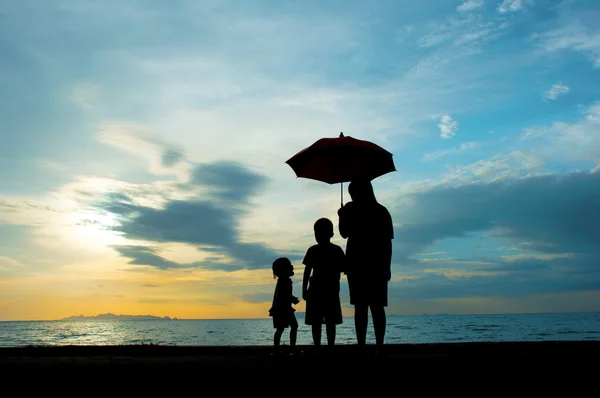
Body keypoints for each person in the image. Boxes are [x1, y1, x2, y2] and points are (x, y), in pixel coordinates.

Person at [337, 179, 394, 351]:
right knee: (375, 307)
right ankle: (379, 346)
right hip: (375, 264)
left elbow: (344, 233)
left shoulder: (351, 209)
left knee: (361, 307)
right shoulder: (381, 211)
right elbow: (387, 243)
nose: (352, 196)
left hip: (357, 263)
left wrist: (342, 216)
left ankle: (363, 345)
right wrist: (387, 266)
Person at [302, 217, 345, 349]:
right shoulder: (336, 250)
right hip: (328, 290)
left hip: (319, 290)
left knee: (320, 322)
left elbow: (307, 271)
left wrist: (304, 289)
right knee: (327, 322)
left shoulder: (313, 250)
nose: (318, 236)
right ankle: (327, 347)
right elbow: (344, 268)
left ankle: (319, 347)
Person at [268, 257, 300, 355]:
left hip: (282, 308)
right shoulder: (285, 281)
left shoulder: (283, 280)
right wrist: (292, 299)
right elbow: (284, 294)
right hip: (283, 309)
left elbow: (283, 294)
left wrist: (291, 298)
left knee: (281, 329)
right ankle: (291, 347)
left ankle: (278, 348)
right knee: (293, 326)